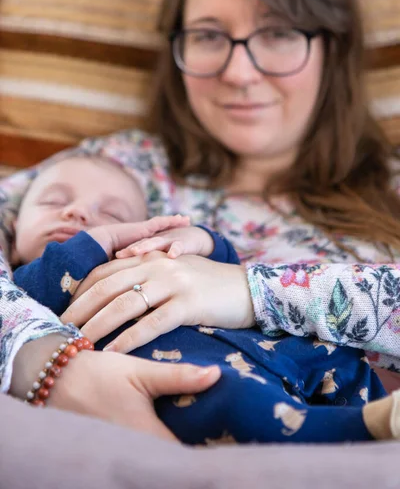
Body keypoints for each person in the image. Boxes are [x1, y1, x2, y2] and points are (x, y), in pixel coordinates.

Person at [1, 0, 400, 443]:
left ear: (333, 47)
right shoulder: (123, 169)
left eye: (279, 32)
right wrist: (50, 367)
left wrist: (248, 291)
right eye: (210, 36)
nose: (240, 72)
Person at [10, 152, 395, 444]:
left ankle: (376, 414)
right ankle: (360, 430)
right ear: (13, 230)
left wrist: (201, 242)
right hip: (192, 377)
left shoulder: (156, 254)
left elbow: (227, 269)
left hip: (275, 346)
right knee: (238, 404)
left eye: (111, 213)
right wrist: (100, 239)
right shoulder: (27, 285)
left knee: (344, 359)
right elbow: (48, 280)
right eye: (51, 203)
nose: (77, 212)